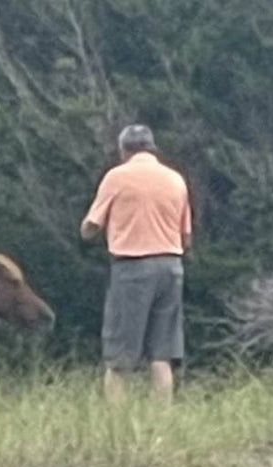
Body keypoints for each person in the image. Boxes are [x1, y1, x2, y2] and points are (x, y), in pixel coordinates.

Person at [80, 124, 192, 407]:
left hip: (132, 268)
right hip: (171, 266)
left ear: (124, 150)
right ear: (152, 147)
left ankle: (117, 420)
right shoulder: (175, 179)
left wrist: (91, 232)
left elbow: (91, 225)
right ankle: (163, 418)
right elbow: (187, 235)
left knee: (119, 357)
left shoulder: (116, 177)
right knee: (162, 356)